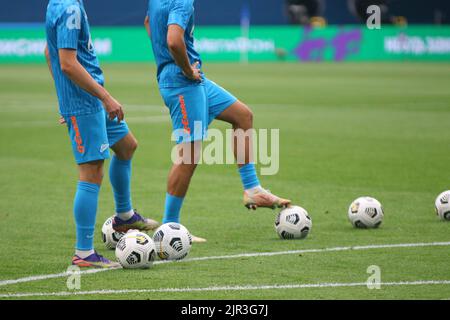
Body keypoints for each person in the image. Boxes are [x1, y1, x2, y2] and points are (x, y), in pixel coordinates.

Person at [144, 0, 291, 242]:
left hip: (193, 80)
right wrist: (184, 69)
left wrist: (167, 60)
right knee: (188, 156)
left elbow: (148, 22)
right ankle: (170, 229)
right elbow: (173, 40)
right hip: (183, 81)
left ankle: (252, 189)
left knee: (243, 115)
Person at [45, 0, 158, 268]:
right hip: (85, 102)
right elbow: (67, 64)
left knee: (127, 146)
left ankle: (125, 216)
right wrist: (104, 97)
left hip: (87, 99)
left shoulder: (59, 3)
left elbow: (49, 53)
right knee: (91, 171)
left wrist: (66, 96)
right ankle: (83, 253)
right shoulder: (69, 8)